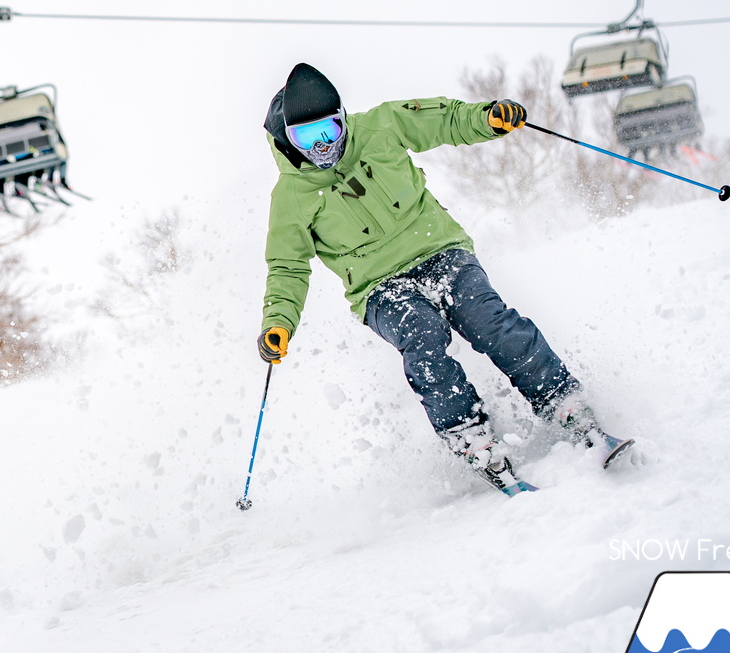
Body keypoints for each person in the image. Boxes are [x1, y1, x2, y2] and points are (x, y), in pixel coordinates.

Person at [256, 63, 632, 496]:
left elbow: (444, 118)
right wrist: (278, 323)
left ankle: (569, 410)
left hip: (439, 251)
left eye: (330, 130)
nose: (323, 146)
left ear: (344, 117)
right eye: (308, 138)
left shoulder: (382, 126)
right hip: (379, 288)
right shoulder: (291, 197)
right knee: (422, 334)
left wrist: (488, 118)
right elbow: (287, 267)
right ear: (289, 137)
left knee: (487, 319)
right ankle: (475, 441)